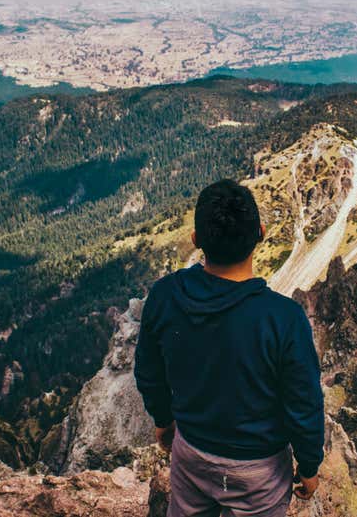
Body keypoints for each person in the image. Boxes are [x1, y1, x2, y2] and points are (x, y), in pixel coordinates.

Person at [134, 179, 324, 516]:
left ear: (196, 240)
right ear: (261, 233)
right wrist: (309, 466)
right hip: (258, 471)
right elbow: (303, 404)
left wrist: (163, 421)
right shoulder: (284, 318)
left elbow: (149, 371)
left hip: (191, 450)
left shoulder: (165, 295)